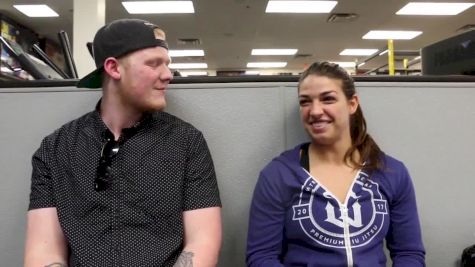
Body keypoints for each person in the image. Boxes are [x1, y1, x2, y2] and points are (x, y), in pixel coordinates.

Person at [24, 19, 222, 267]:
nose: (168, 75)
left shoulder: (186, 143)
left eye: (167, 64)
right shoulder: (57, 149)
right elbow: (44, 253)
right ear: (113, 68)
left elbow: (202, 242)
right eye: (153, 63)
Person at [246, 62, 425, 266]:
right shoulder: (279, 175)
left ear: (352, 104)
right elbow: (262, 257)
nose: (314, 111)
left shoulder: (391, 171)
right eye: (305, 102)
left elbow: (409, 253)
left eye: (328, 99)